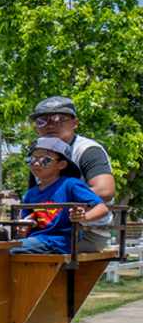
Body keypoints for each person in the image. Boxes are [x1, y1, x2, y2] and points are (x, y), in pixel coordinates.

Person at [29, 96, 116, 251]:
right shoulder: (38, 156)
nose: (50, 125)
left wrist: (59, 205)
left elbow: (105, 191)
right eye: (42, 121)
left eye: (59, 119)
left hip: (84, 232)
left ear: (74, 123)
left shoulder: (87, 151)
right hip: (46, 231)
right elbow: (35, 197)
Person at [12, 137, 108, 255]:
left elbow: (102, 208)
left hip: (59, 241)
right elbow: (26, 222)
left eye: (45, 160)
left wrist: (84, 217)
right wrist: (22, 229)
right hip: (35, 240)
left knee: (7, 250)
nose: (36, 163)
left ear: (61, 164)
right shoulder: (30, 194)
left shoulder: (71, 184)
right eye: (31, 160)